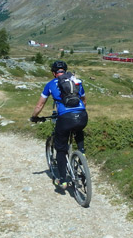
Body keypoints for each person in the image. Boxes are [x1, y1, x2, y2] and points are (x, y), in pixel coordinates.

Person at [30, 60, 88, 190]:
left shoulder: (50, 84)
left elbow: (40, 105)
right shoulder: (76, 81)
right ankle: (81, 152)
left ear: (53, 73)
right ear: (65, 71)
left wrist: (34, 117)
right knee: (78, 127)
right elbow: (84, 100)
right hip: (82, 115)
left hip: (65, 118)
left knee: (60, 149)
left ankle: (62, 180)